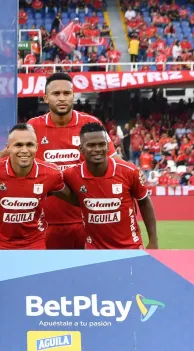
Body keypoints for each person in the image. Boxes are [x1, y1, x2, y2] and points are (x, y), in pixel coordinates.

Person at [27, 72, 117, 250]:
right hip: (44, 223)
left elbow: (113, 163)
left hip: (87, 220)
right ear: (46, 97)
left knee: (88, 276)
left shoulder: (91, 124)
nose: (62, 98)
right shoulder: (32, 127)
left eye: (66, 93)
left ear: (73, 96)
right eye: (56, 94)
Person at [0, 124, 75, 249]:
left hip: (34, 242)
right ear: (8, 148)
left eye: (29, 145)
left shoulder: (51, 173)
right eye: (18, 145)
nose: (24, 150)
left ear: (36, 147)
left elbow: (73, 198)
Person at [62, 123, 158, 249]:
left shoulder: (129, 171)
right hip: (94, 251)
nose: (97, 149)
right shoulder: (71, 174)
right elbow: (52, 185)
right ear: (81, 149)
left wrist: (153, 241)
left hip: (129, 248)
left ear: (108, 147)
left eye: (101, 144)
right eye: (91, 145)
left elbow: (144, 202)